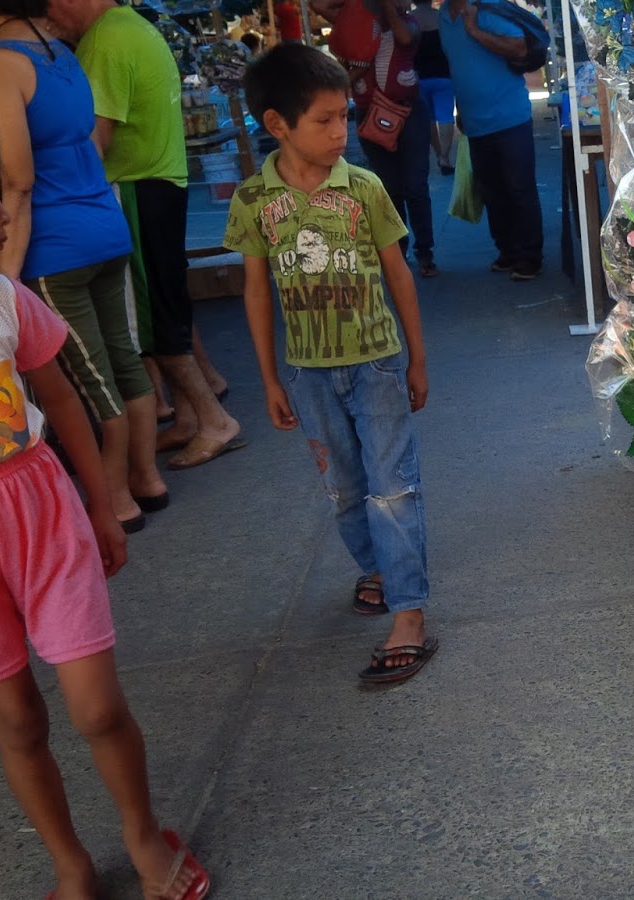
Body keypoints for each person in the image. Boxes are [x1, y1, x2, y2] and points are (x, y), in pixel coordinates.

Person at [0, 122, 210, 900]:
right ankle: (69, 863)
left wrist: (102, 506)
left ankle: (143, 838)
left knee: (98, 708)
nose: (6, 217)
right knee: (14, 720)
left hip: (41, 515)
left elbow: (63, 401)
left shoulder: (5, 300)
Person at [226, 43, 438, 683]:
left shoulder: (365, 187)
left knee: (392, 487)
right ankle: (374, 566)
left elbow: (399, 276)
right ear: (277, 125)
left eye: (346, 116)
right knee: (345, 488)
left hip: (376, 363)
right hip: (308, 372)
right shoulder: (254, 200)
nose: (343, 131)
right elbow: (257, 290)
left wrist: (417, 360)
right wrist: (268, 376)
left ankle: (409, 612)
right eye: (325, 120)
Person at [0, 0, 168, 533]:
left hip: (54, 246)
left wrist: (5, 279)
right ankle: (146, 480)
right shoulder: (61, 54)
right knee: (122, 359)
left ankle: (114, 501)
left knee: (87, 380)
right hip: (103, 228)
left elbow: (16, 178)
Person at [47, 0, 244, 470]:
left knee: (155, 318)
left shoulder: (104, 39)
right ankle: (191, 420)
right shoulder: (129, 25)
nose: (49, 14)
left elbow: (95, 141)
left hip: (136, 186)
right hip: (158, 181)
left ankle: (214, 419)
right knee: (164, 308)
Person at [313, 0, 438, 277]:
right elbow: (317, 4)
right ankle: (398, 252)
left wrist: (388, 7)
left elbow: (404, 37)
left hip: (407, 111)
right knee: (389, 189)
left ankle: (425, 252)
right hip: (371, 113)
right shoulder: (355, 22)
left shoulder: (410, 24)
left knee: (415, 186)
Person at [440, 0, 543, 280]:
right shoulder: (443, 16)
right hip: (475, 123)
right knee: (492, 192)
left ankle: (530, 257)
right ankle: (508, 250)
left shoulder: (483, 10)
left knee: (519, 188)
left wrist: (474, 30)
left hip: (510, 117)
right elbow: (458, 66)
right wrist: (460, 109)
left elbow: (519, 46)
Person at [412, 0, 456, 176]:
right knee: (446, 117)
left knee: (428, 118)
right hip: (443, 75)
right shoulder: (442, 18)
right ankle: (445, 157)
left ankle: (439, 154)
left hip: (419, 77)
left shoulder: (409, 20)